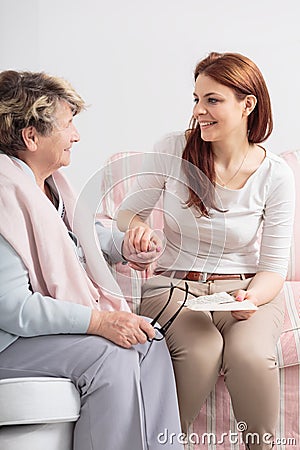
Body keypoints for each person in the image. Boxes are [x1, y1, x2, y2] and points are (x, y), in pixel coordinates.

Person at [117, 52, 295, 450]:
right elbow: (127, 214)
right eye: (196, 99)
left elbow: (272, 270)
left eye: (212, 100)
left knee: (251, 357)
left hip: (245, 292)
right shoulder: (172, 149)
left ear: (247, 104)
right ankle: (156, 444)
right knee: (201, 350)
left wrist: (251, 297)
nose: (199, 111)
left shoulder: (276, 175)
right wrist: (140, 228)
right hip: (176, 287)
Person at [0, 70, 183, 450]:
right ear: (31, 137)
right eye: (67, 126)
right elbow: (12, 309)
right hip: (10, 341)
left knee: (149, 340)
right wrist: (99, 321)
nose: (76, 136)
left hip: (35, 335)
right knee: (109, 355)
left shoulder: (47, 186)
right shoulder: (5, 196)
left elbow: (74, 238)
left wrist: (126, 245)